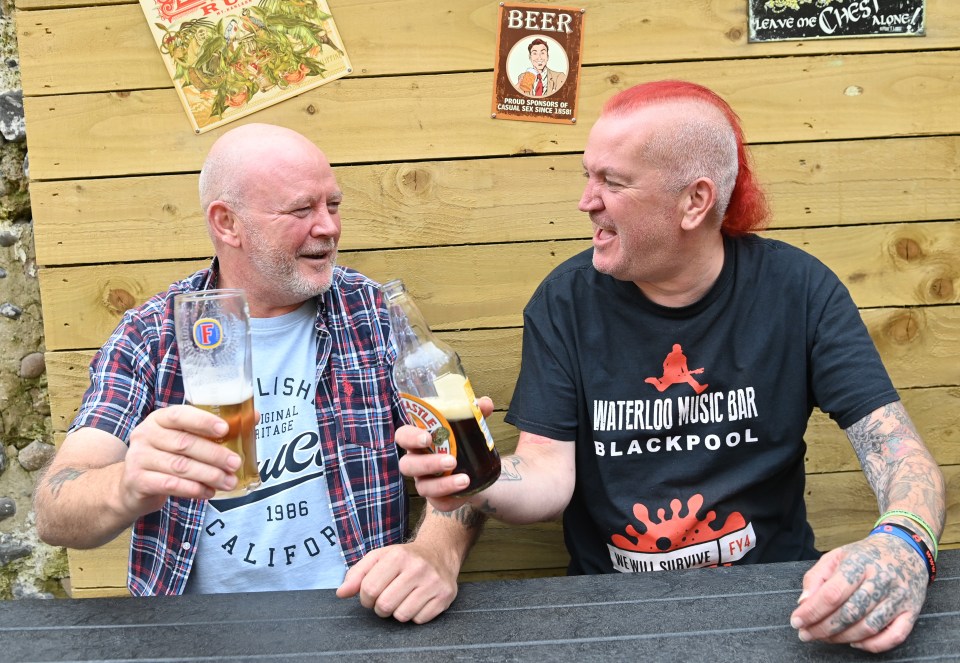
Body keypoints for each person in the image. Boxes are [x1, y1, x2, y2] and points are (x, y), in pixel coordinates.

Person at [397, 80, 946, 652]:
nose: (587, 200)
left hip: (773, 605)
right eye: (588, 175)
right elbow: (546, 478)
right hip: (610, 616)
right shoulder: (565, 303)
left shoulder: (799, 292)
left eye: (612, 181)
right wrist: (474, 477)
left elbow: (902, 456)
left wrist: (903, 545)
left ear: (694, 201)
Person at [34, 123, 484, 623]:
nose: (328, 227)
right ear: (228, 223)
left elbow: (467, 465)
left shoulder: (373, 314)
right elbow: (56, 510)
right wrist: (127, 483)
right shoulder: (152, 334)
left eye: (332, 206)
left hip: (360, 622)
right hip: (196, 634)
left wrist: (436, 552)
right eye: (301, 210)